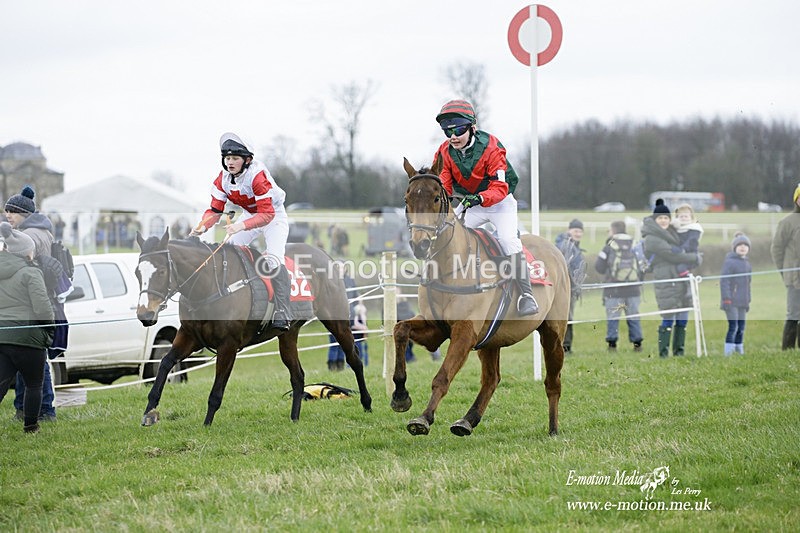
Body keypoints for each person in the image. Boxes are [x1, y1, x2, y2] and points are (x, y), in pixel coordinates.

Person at [432, 99, 538, 316]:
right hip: (472, 203)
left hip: (500, 203)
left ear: (472, 127)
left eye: (458, 130)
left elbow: (500, 187)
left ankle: (527, 295)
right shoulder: (444, 152)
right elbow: (444, 182)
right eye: (447, 132)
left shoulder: (492, 147)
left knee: (508, 240)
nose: (453, 137)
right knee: (449, 234)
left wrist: (479, 198)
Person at [190, 132, 292, 331]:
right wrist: (201, 227)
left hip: (274, 217)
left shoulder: (257, 176)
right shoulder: (223, 179)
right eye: (227, 158)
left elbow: (267, 215)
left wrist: (240, 226)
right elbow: (215, 210)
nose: (230, 162)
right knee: (229, 249)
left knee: (273, 260)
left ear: (247, 160)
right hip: (250, 214)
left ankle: (283, 311)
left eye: (235, 158)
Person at [5, 186, 68, 422]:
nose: (7, 215)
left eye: (12, 211)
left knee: (34, 362)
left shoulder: (29, 235)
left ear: (24, 213)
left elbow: (15, 261)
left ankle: (43, 410)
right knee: (30, 361)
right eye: (6, 211)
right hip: (32, 302)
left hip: (32, 303)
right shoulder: (39, 230)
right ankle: (25, 409)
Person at [0, 222, 55, 433]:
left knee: (1, 384)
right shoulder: (31, 273)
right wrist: (49, 332)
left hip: (2, 337)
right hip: (28, 338)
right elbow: (43, 309)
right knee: (34, 384)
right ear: (26, 253)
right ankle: (31, 426)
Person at [642, 199, 701, 358]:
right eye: (660, 218)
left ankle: (679, 352)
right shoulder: (652, 238)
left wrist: (690, 257)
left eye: (666, 218)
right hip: (666, 280)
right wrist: (695, 257)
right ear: (655, 220)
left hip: (679, 279)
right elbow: (672, 255)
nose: (663, 221)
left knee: (682, 317)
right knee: (668, 317)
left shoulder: (673, 232)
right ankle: (663, 354)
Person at [594, 220, 643, 352]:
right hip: (633, 288)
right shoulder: (635, 244)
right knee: (633, 316)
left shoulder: (609, 246)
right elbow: (642, 265)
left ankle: (612, 345)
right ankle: (637, 344)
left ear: (613, 230)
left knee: (613, 317)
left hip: (613, 289)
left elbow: (599, 267)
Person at [771, 183, 800, 350]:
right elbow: (777, 249)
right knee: (794, 315)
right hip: (794, 279)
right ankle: (788, 351)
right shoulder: (787, 222)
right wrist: (785, 272)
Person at [555, 219, 587, 353]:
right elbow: (567, 268)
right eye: (575, 230)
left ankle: (565, 346)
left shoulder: (573, 246)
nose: (578, 234)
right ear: (569, 230)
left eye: (580, 231)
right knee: (566, 318)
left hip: (569, 288)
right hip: (566, 289)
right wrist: (573, 285)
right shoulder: (566, 246)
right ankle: (565, 347)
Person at [720, 232, 752, 355]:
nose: (743, 247)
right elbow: (724, 282)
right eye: (740, 245)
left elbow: (748, 284)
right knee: (734, 326)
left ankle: (739, 350)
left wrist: (748, 300)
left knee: (741, 328)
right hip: (731, 302)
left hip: (742, 302)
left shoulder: (747, 264)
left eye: (745, 245)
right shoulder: (730, 262)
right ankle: (728, 352)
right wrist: (727, 299)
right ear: (734, 247)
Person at [672, 203, 704, 277]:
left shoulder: (694, 228)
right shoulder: (676, 229)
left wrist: (682, 249)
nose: (683, 218)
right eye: (681, 216)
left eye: (686, 216)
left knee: (681, 268)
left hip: (690, 254)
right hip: (678, 255)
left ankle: (688, 283)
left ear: (691, 217)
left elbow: (692, 242)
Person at [352, 298, 369, 366]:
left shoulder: (363, 315)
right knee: (357, 352)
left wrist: (365, 333)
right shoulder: (356, 316)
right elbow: (354, 325)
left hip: (362, 337)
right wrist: (364, 328)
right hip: (356, 337)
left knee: (363, 351)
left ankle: (365, 364)